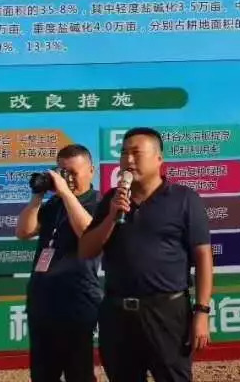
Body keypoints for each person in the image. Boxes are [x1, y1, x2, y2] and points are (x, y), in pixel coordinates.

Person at [78, 127, 213, 382]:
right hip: (118, 314)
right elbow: (86, 250)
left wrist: (202, 312)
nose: (128, 160)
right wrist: (111, 216)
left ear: (159, 159)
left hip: (167, 313)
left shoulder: (184, 199)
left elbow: (203, 257)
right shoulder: (111, 200)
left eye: (136, 153)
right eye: (124, 153)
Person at [14, 144, 102, 382]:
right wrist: (37, 196)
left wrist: (66, 194)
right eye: (62, 172)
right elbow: (23, 231)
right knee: (43, 375)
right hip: (42, 301)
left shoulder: (98, 202)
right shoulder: (54, 205)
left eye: (73, 172)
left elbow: (87, 232)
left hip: (77, 301)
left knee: (79, 374)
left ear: (91, 171)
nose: (67, 178)